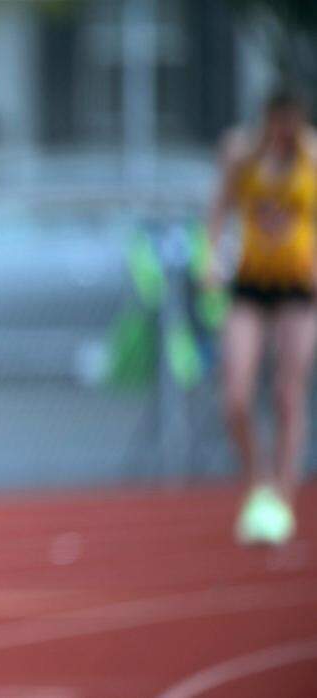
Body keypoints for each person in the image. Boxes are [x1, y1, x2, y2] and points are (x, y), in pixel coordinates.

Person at [207, 86, 317, 545]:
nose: (282, 131)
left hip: (297, 287)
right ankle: (256, 485)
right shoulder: (242, 154)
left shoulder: (312, 155)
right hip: (250, 285)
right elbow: (219, 210)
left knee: (287, 393)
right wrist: (211, 259)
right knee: (235, 394)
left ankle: (284, 496)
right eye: (276, 120)